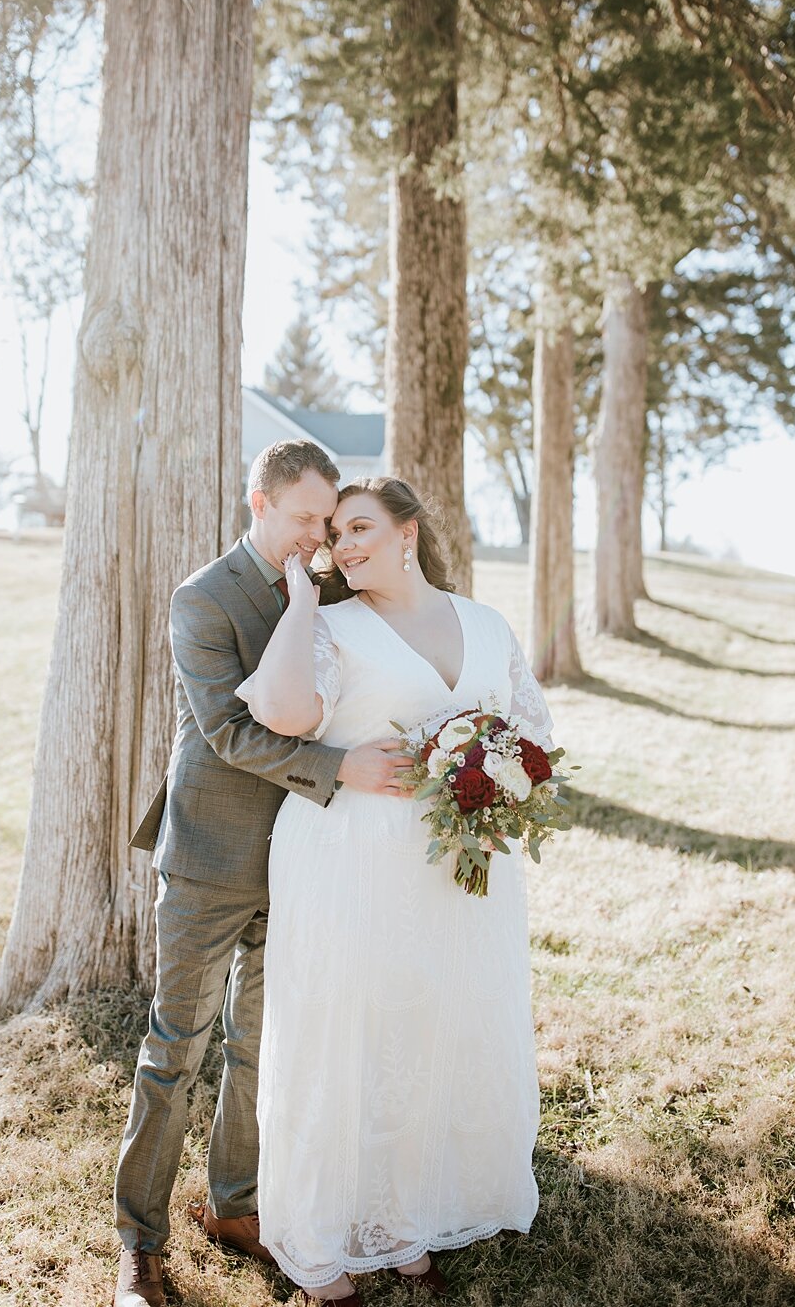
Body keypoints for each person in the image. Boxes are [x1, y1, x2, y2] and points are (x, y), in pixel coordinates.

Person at [235, 476, 554, 1305]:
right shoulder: (332, 625)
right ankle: (320, 1248)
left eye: (361, 527)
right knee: (344, 1035)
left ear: (409, 531)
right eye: (334, 534)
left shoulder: (486, 624)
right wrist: (302, 599)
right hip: (350, 859)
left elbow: (534, 734)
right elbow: (281, 710)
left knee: (431, 1031)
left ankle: (406, 1226)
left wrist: (495, 767)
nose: (343, 545)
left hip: (459, 869)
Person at [112, 443, 413, 1307]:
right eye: (306, 519)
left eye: (329, 522)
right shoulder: (203, 599)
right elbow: (229, 735)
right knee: (175, 1051)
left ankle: (239, 1209)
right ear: (260, 504)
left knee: (259, 1051)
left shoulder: (333, 594)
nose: (320, 537)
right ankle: (139, 1243)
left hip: (302, 862)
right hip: (209, 857)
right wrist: (340, 768)